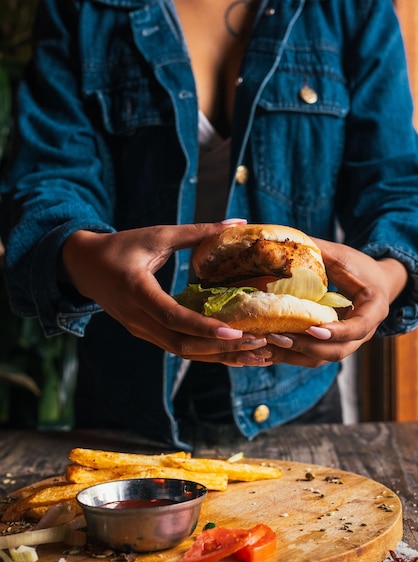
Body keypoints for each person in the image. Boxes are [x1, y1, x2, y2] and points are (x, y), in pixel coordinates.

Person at [1, 0, 418, 449]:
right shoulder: (83, 9)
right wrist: (87, 258)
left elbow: (395, 186)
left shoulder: (353, 9)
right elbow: (45, 178)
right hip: (126, 396)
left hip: (297, 400)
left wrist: (385, 277)